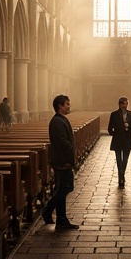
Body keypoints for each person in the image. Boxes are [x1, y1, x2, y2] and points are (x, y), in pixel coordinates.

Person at [40, 94, 78, 230]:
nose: (69, 106)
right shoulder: (56, 121)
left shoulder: (61, 120)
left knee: (63, 188)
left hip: (63, 161)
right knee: (65, 188)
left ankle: (61, 219)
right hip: (62, 162)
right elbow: (62, 143)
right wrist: (69, 160)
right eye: (67, 104)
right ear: (59, 106)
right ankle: (47, 211)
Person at [107, 95, 131, 189]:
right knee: (119, 159)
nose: (125, 105)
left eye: (126, 103)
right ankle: (121, 177)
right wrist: (115, 134)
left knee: (125, 159)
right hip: (118, 140)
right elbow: (110, 128)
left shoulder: (130, 114)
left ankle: (121, 174)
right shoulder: (114, 114)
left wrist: (130, 131)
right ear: (119, 104)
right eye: (123, 104)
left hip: (127, 140)